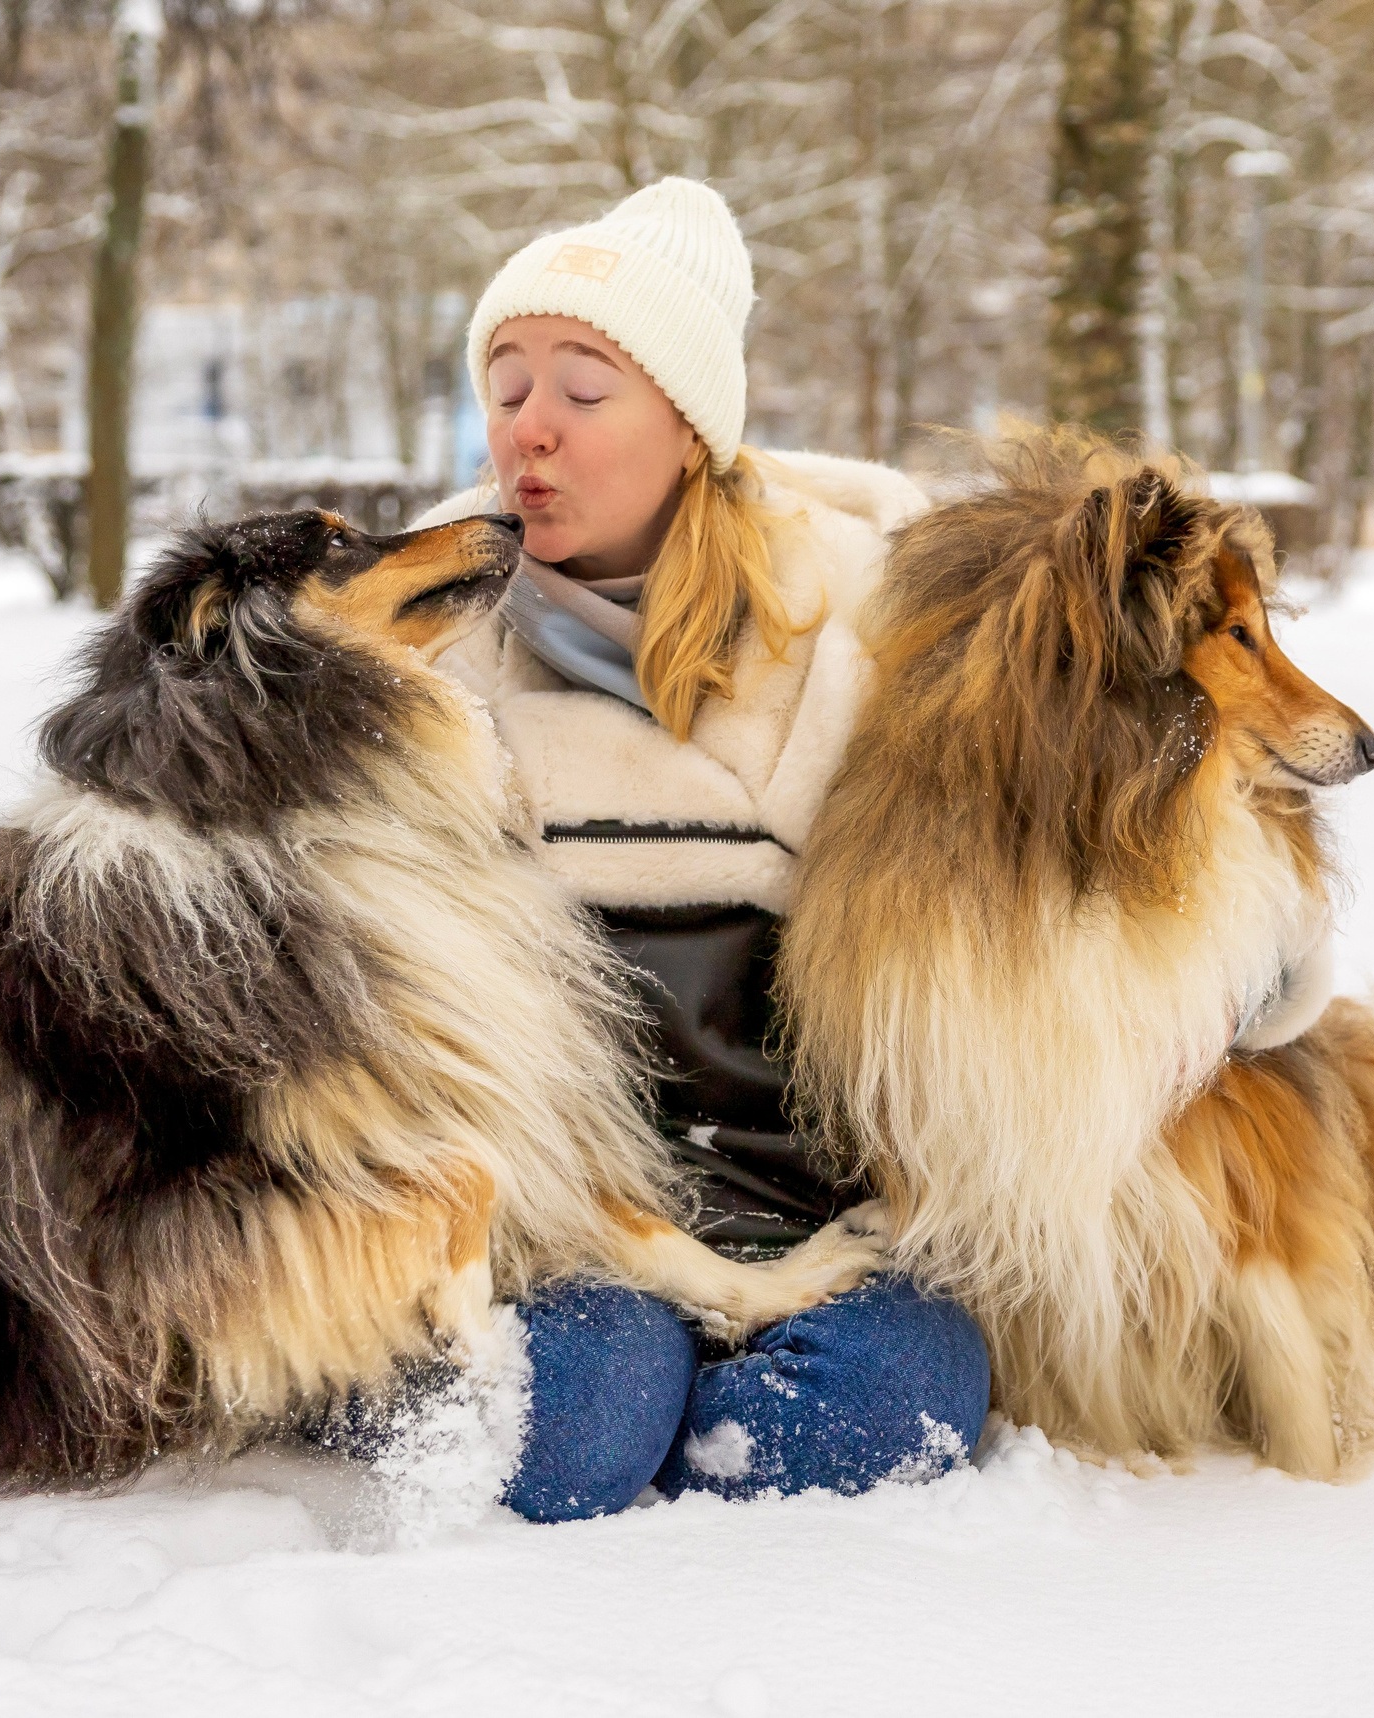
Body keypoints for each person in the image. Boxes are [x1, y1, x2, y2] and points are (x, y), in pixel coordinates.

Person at [395, 178, 994, 1520]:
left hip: (805, 1214)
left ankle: (680, 1434)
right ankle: (620, 1414)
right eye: (505, 385)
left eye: (583, 389)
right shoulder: (420, 631)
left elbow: (1062, 839)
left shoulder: (865, 620)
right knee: (572, 1429)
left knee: (899, 1401)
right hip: (553, 1225)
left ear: (690, 427)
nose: (529, 426)